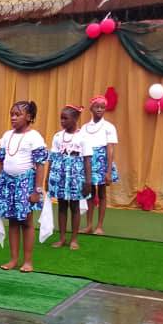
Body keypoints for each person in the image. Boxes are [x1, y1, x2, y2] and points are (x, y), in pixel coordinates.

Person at [0, 100, 48, 272]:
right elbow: (2, 162)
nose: (13, 118)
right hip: (8, 183)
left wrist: (37, 190)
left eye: (18, 114)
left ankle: (28, 261)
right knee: (13, 222)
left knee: (26, 222)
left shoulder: (34, 137)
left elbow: (40, 165)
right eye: (12, 114)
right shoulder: (7, 136)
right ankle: (14, 259)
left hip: (25, 184)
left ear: (29, 117)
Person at [46, 104, 92, 250]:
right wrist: (47, 178)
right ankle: (62, 238)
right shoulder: (57, 136)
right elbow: (52, 158)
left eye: (65, 118)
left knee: (75, 207)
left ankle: (74, 239)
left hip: (76, 177)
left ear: (75, 119)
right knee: (61, 206)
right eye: (61, 118)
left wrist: (88, 181)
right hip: (59, 176)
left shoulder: (83, 137)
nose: (62, 121)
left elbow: (87, 160)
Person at [81, 94, 119, 234]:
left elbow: (110, 149)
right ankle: (89, 225)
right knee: (89, 192)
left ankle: (100, 226)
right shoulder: (84, 128)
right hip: (88, 161)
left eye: (102, 107)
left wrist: (108, 171)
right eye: (97, 107)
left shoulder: (109, 127)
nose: (99, 109)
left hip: (103, 161)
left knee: (102, 193)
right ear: (91, 108)